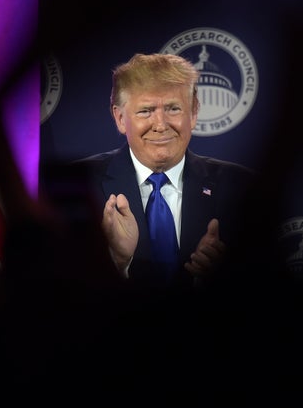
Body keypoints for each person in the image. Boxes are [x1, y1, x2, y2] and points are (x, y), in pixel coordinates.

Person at [73, 52, 255, 291]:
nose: (160, 125)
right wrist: (117, 261)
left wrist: (224, 275)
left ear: (194, 113)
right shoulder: (77, 186)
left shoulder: (241, 188)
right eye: (146, 111)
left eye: (173, 108)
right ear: (119, 118)